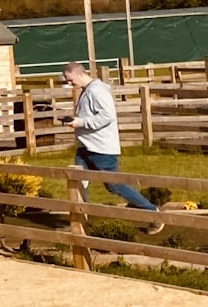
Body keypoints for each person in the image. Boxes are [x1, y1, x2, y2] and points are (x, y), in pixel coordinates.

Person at [60, 62, 163, 237]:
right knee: (77, 184)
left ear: (78, 74)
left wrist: (80, 122)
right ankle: (79, 224)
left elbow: (107, 116)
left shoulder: (96, 91)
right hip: (86, 147)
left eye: (70, 80)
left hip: (101, 149)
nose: (69, 84)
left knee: (115, 186)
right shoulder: (87, 91)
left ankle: (154, 213)